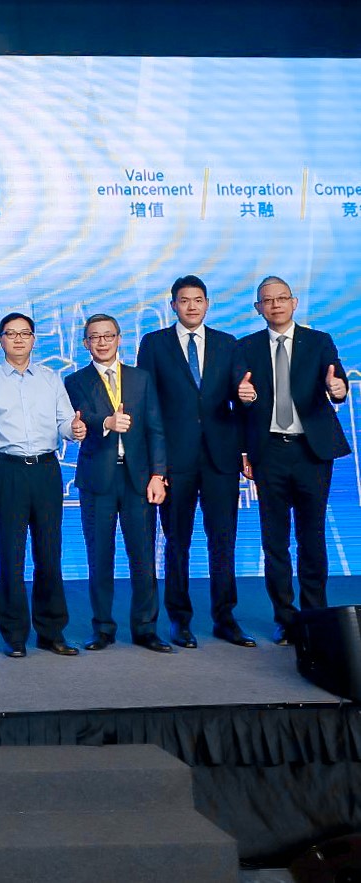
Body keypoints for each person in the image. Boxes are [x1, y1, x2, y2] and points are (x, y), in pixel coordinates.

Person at [136, 276, 254, 649]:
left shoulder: (227, 343)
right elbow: (146, 403)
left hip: (221, 456)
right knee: (177, 542)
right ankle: (179, 619)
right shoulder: (154, 343)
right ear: (173, 305)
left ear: (207, 303)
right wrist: (155, 465)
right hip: (174, 458)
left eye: (198, 299)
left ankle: (225, 618)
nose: (191, 306)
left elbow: (240, 395)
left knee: (223, 540)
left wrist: (246, 397)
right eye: (184, 300)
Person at [234, 276, 350, 645]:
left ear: (294, 302)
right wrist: (243, 397)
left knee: (312, 536)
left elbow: (338, 383)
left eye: (282, 298)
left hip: (311, 452)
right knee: (275, 540)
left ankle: (315, 616)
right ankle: (285, 618)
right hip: (269, 452)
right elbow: (240, 402)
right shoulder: (246, 347)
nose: (276, 305)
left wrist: (338, 389)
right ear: (258, 308)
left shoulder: (319, 341)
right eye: (268, 300)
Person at [0, 312, 84, 658]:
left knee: (49, 554)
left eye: (25, 333)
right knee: (11, 555)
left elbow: (64, 423)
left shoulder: (51, 379)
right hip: (8, 472)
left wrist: (74, 430)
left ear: (34, 339)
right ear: (0, 340)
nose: (18, 339)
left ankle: (51, 631)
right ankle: (14, 634)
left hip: (46, 471)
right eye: (11, 333)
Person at [65, 314, 171, 653]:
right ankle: (103, 628)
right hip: (98, 480)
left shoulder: (141, 378)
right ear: (86, 343)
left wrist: (158, 475)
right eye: (95, 337)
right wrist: (107, 422)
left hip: (138, 479)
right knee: (100, 556)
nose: (102, 342)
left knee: (143, 557)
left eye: (108, 336)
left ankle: (146, 628)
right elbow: (82, 417)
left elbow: (155, 428)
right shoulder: (75, 381)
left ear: (119, 338)